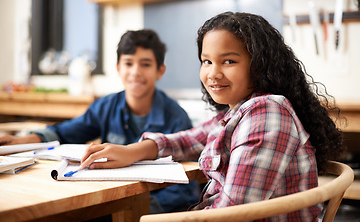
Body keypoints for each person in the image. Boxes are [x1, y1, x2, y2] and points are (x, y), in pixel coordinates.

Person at [79, 12, 344, 221]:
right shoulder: (240, 109)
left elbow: (231, 213)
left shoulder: (267, 112)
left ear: (260, 64)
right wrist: (133, 151)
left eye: (228, 61)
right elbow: (191, 139)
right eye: (206, 61)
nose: (213, 74)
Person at [0, 29, 199, 214]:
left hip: (146, 210)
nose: (136, 72)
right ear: (118, 68)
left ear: (160, 70)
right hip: (106, 200)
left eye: (145, 64)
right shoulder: (106, 106)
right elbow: (65, 132)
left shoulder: (176, 118)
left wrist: (131, 210)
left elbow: (183, 190)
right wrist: (24, 140)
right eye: (128, 63)